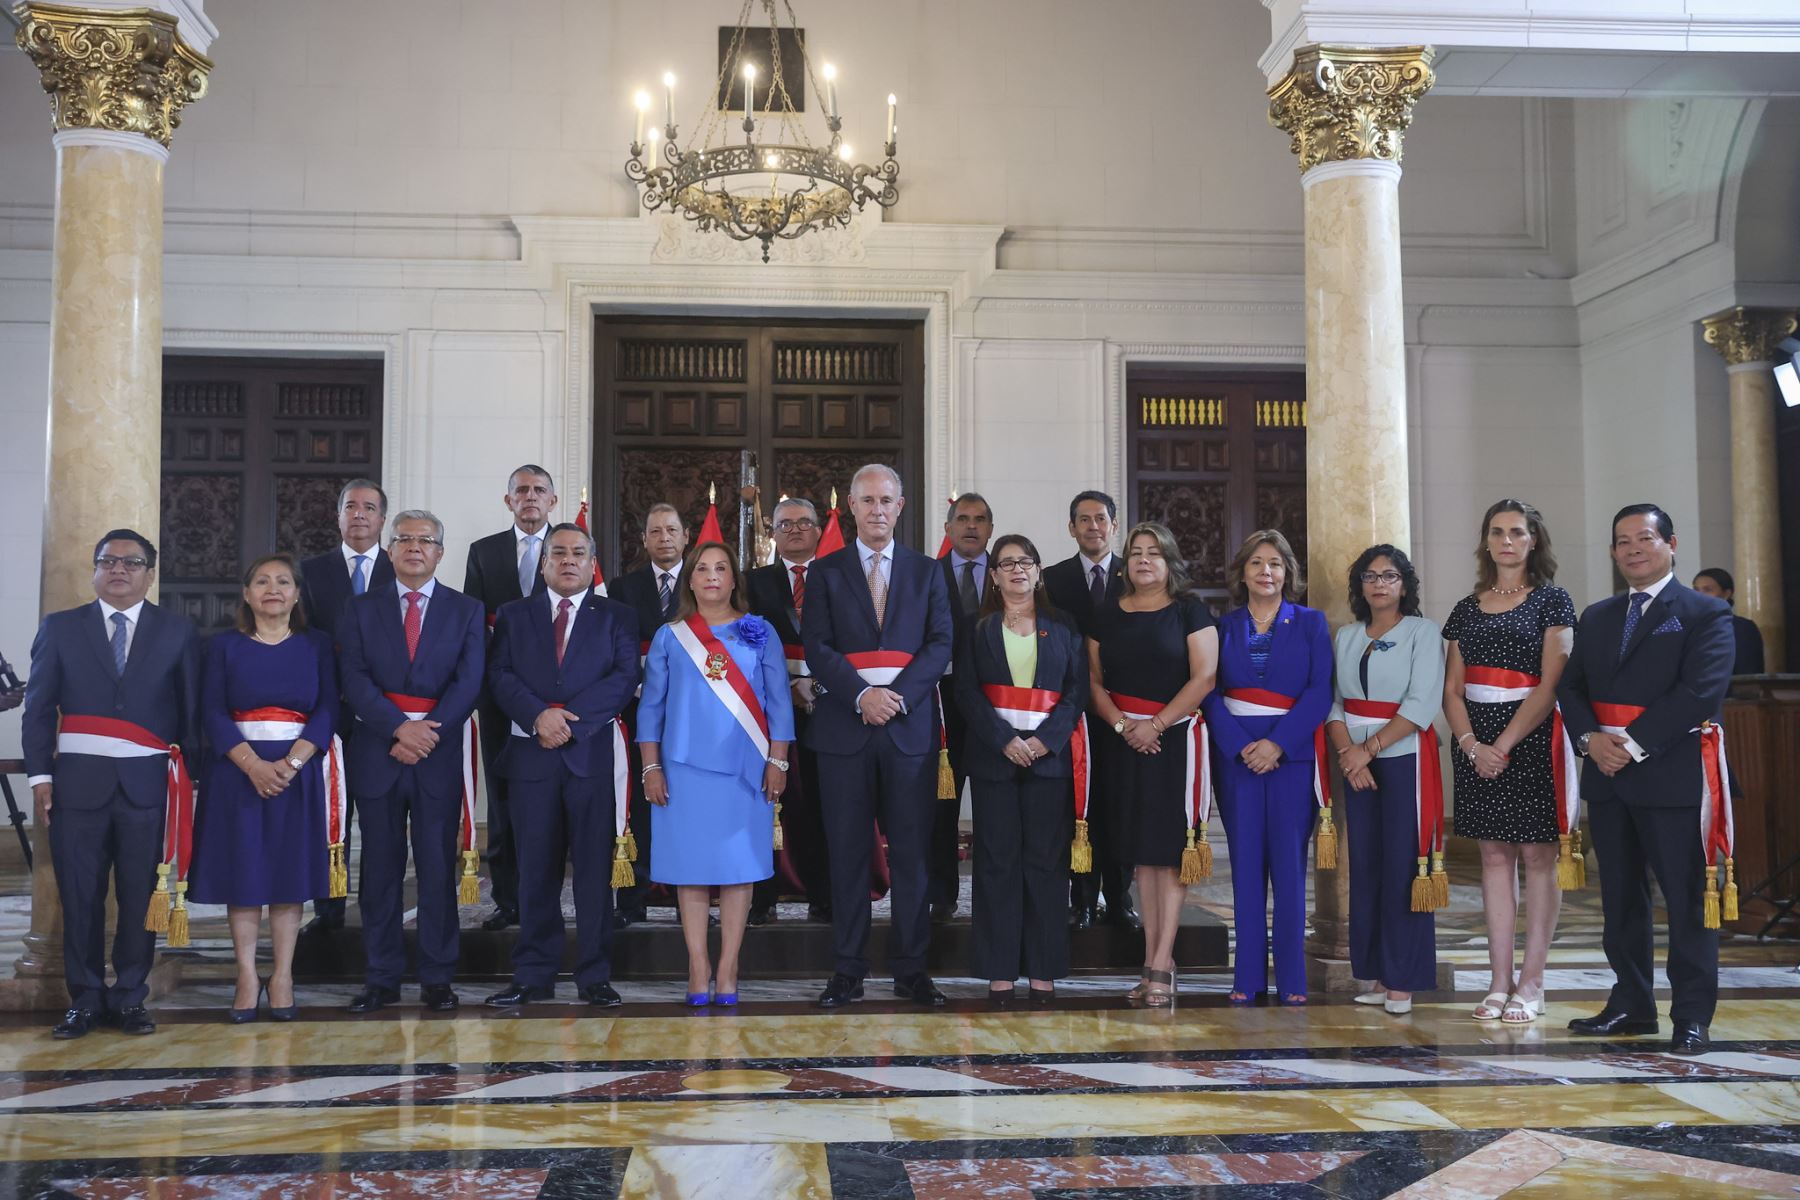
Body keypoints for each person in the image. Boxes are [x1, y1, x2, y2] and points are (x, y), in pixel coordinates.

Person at [1559, 504, 1735, 1054]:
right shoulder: (1599, 614)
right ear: (1612, 552)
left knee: (1685, 901)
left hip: (1670, 774)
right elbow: (1571, 687)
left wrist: (1629, 745)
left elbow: (1699, 692)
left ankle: (1691, 1015)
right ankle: (1632, 1003)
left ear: (1671, 544)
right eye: (1623, 541)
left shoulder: (1705, 613)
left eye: (1645, 538)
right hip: (1608, 778)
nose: (1633, 548)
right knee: (1621, 901)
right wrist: (1590, 740)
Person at [22, 530, 201, 1039]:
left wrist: (192, 784)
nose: (119, 569)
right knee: (80, 896)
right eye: (108, 561)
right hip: (76, 788)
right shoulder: (60, 628)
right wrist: (40, 775)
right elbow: (37, 710)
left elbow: (189, 716)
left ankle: (129, 997)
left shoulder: (177, 631)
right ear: (95, 570)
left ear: (150, 573)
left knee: (141, 896)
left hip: (148, 788)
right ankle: (84, 998)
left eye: (132, 562)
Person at [803, 463, 955, 1009]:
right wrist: (860, 696)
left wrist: (898, 698)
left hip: (909, 730)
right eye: (866, 501)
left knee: (912, 855)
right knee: (846, 855)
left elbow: (940, 644)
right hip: (844, 729)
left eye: (885, 500)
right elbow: (816, 645)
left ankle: (912, 971)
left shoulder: (926, 572)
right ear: (851, 506)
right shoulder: (825, 571)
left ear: (901, 505)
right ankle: (848, 970)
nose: (876, 510)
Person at [484, 522, 640, 1008]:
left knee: (593, 873)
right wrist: (538, 716)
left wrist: (570, 723)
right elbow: (500, 674)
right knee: (535, 871)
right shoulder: (514, 614)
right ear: (544, 562)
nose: (568, 560)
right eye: (558, 553)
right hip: (533, 759)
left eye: (578, 553)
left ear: (592, 562)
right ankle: (532, 974)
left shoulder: (617, 615)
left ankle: (594, 975)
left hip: (590, 758)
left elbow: (624, 676)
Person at [337, 509, 486, 1014]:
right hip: (378, 750)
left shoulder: (466, 610)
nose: (414, 547)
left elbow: (469, 683)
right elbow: (353, 678)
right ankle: (380, 977)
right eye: (403, 539)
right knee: (379, 870)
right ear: (390, 547)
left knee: (437, 867)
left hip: (437, 754)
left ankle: (437, 976)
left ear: (440, 553)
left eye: (425, 540)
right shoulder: (360, 608)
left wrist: (425, 734)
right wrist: (398, 728)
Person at [639, 542, 795, 1005]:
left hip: (744, 771)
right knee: (691, 870)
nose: (711, 576)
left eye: (721, 568)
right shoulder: (671, 636)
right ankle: (697, 964)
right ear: (689, 579)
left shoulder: (759, 631)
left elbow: (779, 701)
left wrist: (778, 760)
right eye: (702, 568)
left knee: (736, 869)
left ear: (733, 580)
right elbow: (651, 708)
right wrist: (651, 766)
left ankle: (728, 967)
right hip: (684, 770)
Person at [1441, 499, 1576, 1024]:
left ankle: (1532, 982)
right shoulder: (1466, 607)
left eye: (1517, 532)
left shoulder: (1552, 601)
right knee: (1493, 858)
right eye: (1496, 532)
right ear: (1486, 540)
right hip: (1476, 744)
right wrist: (1473, 745)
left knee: (1538, 858)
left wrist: (1507, 743)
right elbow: (1452, 689)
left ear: (1533, 540)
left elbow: (1550, 683)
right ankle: (1498, 981)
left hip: (1533, 738)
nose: (1506, 541)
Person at [190, 554, 339, 1023]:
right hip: (236, 774)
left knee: (287, 875)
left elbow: (329, 710)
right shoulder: (222, 647)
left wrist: (292, 764)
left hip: (296, 774)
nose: (273, 588)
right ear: (247, 594)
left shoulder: (317, 646)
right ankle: (246, 976)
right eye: (261, 581)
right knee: (245, 874)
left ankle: (283, 976)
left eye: (283, 581)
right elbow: (211, 711)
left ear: (297, 594)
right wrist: (252, 764)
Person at [1089, 522, 1219, 1008]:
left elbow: (1204, 677)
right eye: (1136, 552)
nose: (1144, 560)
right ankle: (1151, 959)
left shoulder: (1189, 610)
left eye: (1154, 553)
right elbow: (1094, 682)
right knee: (1143, 858)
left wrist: (1157, 725)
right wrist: (1126, 728)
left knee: (1171, 854)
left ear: (1169, 562)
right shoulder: (1107, 615)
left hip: (1175, 744)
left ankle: (1162, 963)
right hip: (1126, 743)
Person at [955, 534, 1087, 1005]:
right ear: (993, 576)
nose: (1017, 570)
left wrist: (1043, 742)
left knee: (1046, 865)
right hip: (995, 760)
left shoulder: (1064, 624)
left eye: (1025, 562)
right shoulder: (974, 627)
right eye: (1006, 563)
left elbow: (1077, 694)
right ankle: (999, 968)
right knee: (996, 864)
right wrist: (1005, 740)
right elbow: (967, 693)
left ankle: (1044, 967)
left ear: (1037, 571)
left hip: (1048, 762)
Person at [1202, 529, 1331, 1007]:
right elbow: (1209, 694)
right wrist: (1242, 747)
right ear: (1243, 572)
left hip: (1291, 760)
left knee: (1289, 868)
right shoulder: (1222, 627)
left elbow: (1319, 692)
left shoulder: (1312, 623)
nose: (1266, 572)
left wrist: (1276, 744)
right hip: (1237, 762)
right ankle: (1248, 976)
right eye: (1257, 563)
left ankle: (1292, 979)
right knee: (1246, 866)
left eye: (1275, 563)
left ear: (1287, 573)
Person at [1325, 545, 1445, 1015]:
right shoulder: (1348, 636)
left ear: (1404, 584)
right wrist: (1347, 756)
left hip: (1403, 759)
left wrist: (1367, 751)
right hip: (1355, 762)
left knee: (1403, 867)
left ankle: (1403, 980)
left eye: (1389, 576)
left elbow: (1420, 703)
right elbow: (1335, 703)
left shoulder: (1422, 632)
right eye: (1370, 576)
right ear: (1360, 585)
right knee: (1367, 866)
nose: (1379, 584)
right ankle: (1375, 972)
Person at [461, 464, 558, 933]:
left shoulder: (573, 547)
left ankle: (551, 895)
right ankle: (507, 899)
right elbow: (472, 623)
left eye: (540, 490)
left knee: (557, 800)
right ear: (508, 501)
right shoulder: (485, 552)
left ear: (553, 501)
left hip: (558, 697)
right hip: (500, 695)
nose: (531, 497)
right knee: (500, 800)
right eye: (522, 490)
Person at [297, 478, 394, 939]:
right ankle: (329, 907)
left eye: (369, 508)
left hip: (383, 716)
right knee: (330, 812)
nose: (359, 515)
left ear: (381, 519)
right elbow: (302, 641)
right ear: (338, 517)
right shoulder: (311, 572)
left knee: (378, 815)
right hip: (329, 711)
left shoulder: (402, 569)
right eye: (351, 507)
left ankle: (379, 907)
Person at [1042, 489, 1136, 931]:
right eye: (1084, 519)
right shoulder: (1053, 579)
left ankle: (1119, 899)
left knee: (1120, 809)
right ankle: (1081, 901)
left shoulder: (1135, 575)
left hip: (1126, 714)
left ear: (1114, 525)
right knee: (1077, 809)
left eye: (1101, 519)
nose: (1093, 526)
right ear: (1071, 527)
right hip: (1072, 713)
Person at [744, 497, 831, 924]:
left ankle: (824, 895)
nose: (794, 530)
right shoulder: (751, 582)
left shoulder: (840, 576)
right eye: (784, 525)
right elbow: (742, 647)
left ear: (818, 529)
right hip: (768, 711)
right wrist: (784, 689)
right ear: (773, 535)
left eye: (803, 523)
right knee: (765, 804)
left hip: (831, 707)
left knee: (823, 806)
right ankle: (762, 898)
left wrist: (815, 685)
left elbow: (852, 643)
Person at [609, 502, 690, 925]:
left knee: (685, 803)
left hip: (691, 715)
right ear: (644, 540)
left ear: (685, 537)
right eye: (655, 531)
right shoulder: (623, 587)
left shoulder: (703, 584)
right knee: (637, 802)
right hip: (636, 707)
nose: (664, 538)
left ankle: (687, 900)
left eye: (671, 530)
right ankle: (632, 900)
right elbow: (615, 649)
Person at [933, 492, 994, 923]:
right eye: (964, 519)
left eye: (981, 519)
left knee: (995, 806)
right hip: (943, 707)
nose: (971, 526)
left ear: (990, 528)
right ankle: (942, 895)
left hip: (997, 709)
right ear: (948, 528)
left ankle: (995, 893)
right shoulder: (925, 574)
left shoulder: (1011, 573)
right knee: (942, 806)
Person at [1692, 568, 1767, 675]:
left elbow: (1748, 673)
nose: (1698, 595)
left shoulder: (1742, 628)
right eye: (1696, 589)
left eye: (1707, 590)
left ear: (1726, 594)